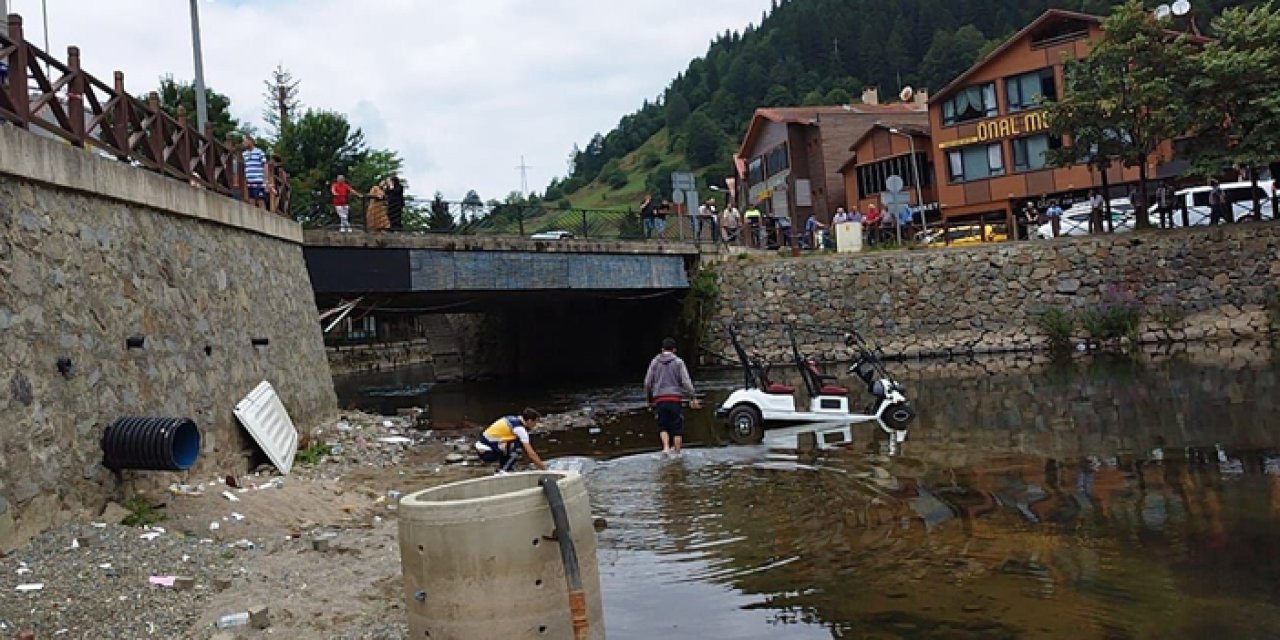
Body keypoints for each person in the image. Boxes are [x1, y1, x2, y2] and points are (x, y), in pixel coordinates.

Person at [644, 338, 700, 455]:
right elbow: (686, 382)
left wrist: (650, 399)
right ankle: (677, 453)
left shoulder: (655, 362)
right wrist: (692, 396)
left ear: (662, 349)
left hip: (660, 399)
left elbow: (647, 383)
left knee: (662, 425)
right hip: (675, 399)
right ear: (674, 350)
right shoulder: (679, 362)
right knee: (677, 427)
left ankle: (665, 448)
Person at [474, 409, 548, 472]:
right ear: (529, 421)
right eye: (535, 422)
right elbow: (531, 454)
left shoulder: (511, 419)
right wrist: (544, 469)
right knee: (518, 447)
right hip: (487, 453)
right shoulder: (520, 429)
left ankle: (506, 467)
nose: (536, 425)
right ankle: (504, 470)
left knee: (511, 443)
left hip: (482, 448)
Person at [241, 135, 269, 209]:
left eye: (245, 141)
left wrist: (265, 180)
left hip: (259, 181)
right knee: (251, 200)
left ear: (250, 141)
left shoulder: (259, 152)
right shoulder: (244, 154)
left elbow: (265, 166)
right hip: (249, 182)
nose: (243, 143)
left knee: (261, 200)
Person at [224, 132, 244, 200]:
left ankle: (235, 190)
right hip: (227, 165)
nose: (230, 139)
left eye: (231, 138)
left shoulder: (235, 147)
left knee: (235, 175)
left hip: (233, 164)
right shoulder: (225, 145)